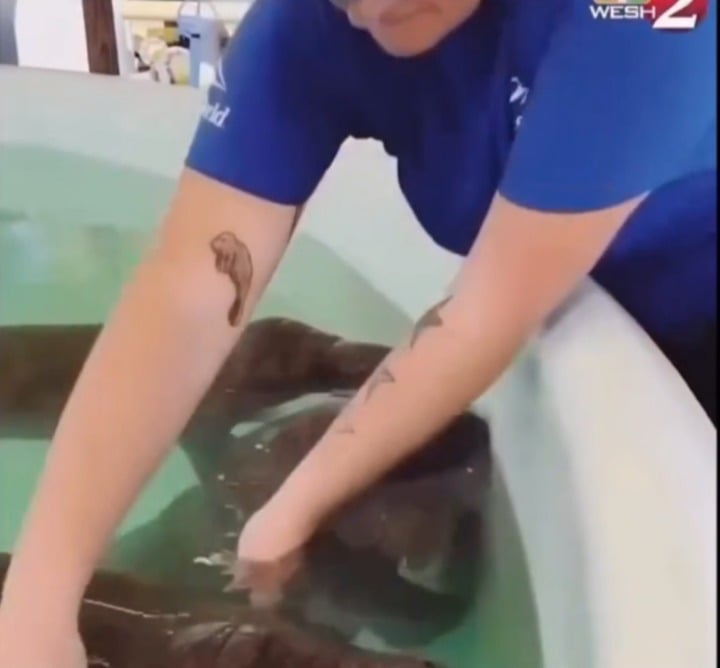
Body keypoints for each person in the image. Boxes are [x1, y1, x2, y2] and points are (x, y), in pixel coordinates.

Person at [0, 0, 715, 665]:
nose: (370, 5)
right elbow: (189, 287)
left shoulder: (647, 15)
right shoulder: (308, 23)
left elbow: (490, 306)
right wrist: (37, 602)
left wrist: (291, 510)